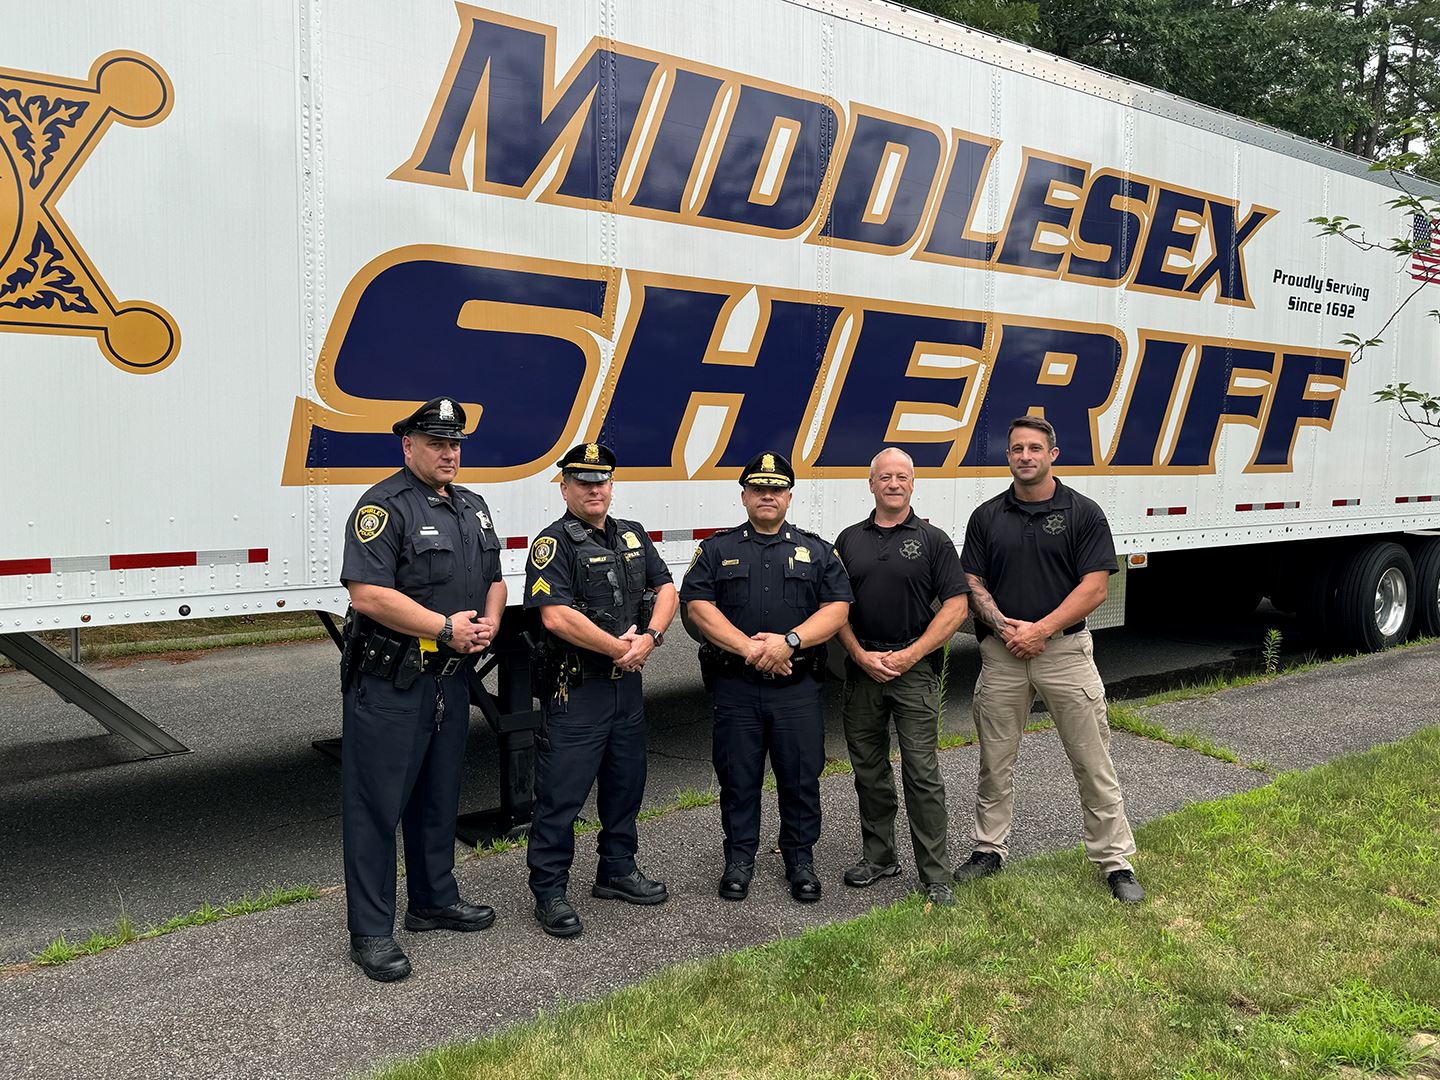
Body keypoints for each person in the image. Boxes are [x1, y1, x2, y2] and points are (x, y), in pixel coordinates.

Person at [338, 396, 506, 982]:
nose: (449, 453)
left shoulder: (473, 508)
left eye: (455, 443)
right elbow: (367, 594)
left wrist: (488, 623)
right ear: (407, 446)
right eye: (436, 443)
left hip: (451, 680)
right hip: (393, 683)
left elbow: (494, 579)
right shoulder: (383, 507)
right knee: (376, 808)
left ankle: (433, 900)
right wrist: (442, 627)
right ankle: (371, 931)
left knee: (439, 798)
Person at [953, 416, 1144, 903]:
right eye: (1016, 448)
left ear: (1053, 454)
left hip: (1065, 653)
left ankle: (1114, 861)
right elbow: (972, 582)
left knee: (1091, 759)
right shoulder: (986, 516)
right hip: (1002, 655)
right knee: (995, 762)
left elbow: (1096, 586)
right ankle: (988, 849)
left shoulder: (1083, 513)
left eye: (1034, 447)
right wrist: (1004, 628)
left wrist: (1041, 629)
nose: (1025, 456)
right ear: (1009, 456)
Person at [680, 451, 851, 903]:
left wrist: (788, 642)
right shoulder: (717, 550)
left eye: (776, 489)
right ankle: (739, 861)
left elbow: (837, 609)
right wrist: (752, 649)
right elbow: (698, 606)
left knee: (800, 777)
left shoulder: (817, 550)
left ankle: (800, 861)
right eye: (759, 489)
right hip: (736, 687)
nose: (767, 496)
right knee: (738, 778)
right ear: (744, 497)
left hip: (796, 688)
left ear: (789, 497)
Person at [523, 442, 678, 938]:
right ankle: (549, 890)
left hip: (626, 687)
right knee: (561, 795)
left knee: (625, 785)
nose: (594, 489)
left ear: (611, 486)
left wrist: (651, 637)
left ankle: (616, 870)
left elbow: (667, 587)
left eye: (602, 481)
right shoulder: (553, 544)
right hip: (578, 690)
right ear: (565, 487)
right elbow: (556, 615)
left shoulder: (631, 535)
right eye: (583, 482)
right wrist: (617, 647)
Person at [835, 448, 970, 907]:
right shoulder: (849, 540)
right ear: (870, 484)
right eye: (885, 477)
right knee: (869, 771)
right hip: (863, 671)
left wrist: (912, 655)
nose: (894, 484)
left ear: (913, 484)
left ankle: (934, 873)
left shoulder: (933, 540)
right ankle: (880, 857)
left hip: (914, 673)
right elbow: (836, 610)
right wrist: (858, 653)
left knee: (922, 772)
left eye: (902, 477)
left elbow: (956, 606)